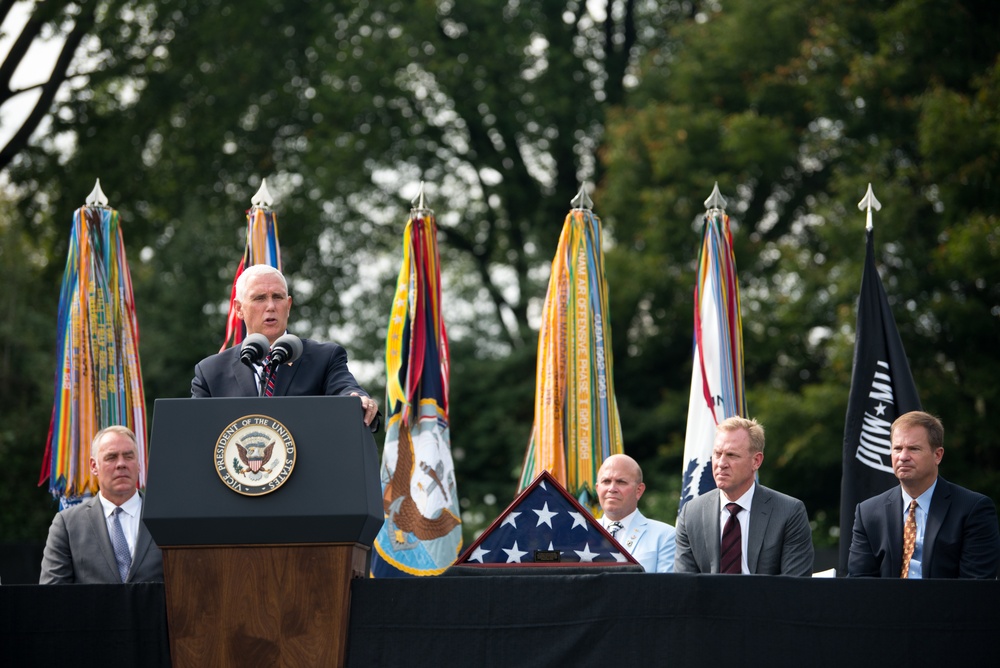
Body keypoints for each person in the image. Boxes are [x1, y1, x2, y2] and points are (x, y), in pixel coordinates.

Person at [191, 264, 379, 429]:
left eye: (278, 297)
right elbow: (193, 430)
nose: (271, 306)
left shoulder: (324, 358)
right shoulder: (210, 372)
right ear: (239, 309)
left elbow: (346, 389)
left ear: (288, 305)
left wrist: (357, 400)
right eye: (259, 298)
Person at [848, 411, 1000, 579]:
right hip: (885, 604)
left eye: (914, 449)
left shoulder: (972, 509)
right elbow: (859, 584)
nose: (903, 457)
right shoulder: (868, 512)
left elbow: (975, 588)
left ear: (938, 455)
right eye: (897, 448)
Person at [674, 416, 814, 575]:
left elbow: (795, 588)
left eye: (732, 455)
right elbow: (684, 586)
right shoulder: (691, 513)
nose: (721, 463)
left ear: (756, 461)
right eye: (717, 453)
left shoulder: (788, 512)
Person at [39, 426, 163, 584]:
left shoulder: (165, 516)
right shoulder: (68, 525)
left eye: (128, 456)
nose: (121, 464)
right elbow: (52, 595)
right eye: (111, 457)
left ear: (139, 463)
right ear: (93, 466)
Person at [596, 454, 675, 573]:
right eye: (606, 481)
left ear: (639, 490)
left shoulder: (665, 536)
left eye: (621, 482)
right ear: (597, 489)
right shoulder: (580, 534)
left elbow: (665, 588)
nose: (612, 488)